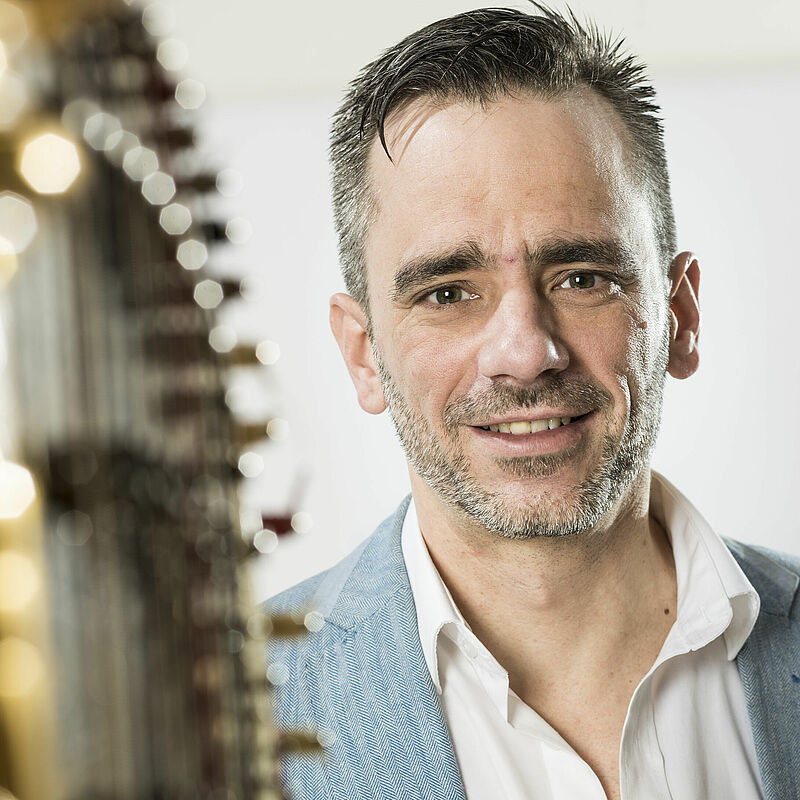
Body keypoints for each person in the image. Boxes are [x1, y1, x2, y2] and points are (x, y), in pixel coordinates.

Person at [268, 6, 800, 799]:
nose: (525, 352)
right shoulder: (231, 716)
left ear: (681, 316)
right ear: (362, 354)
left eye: (583, 278)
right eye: (448, 293)